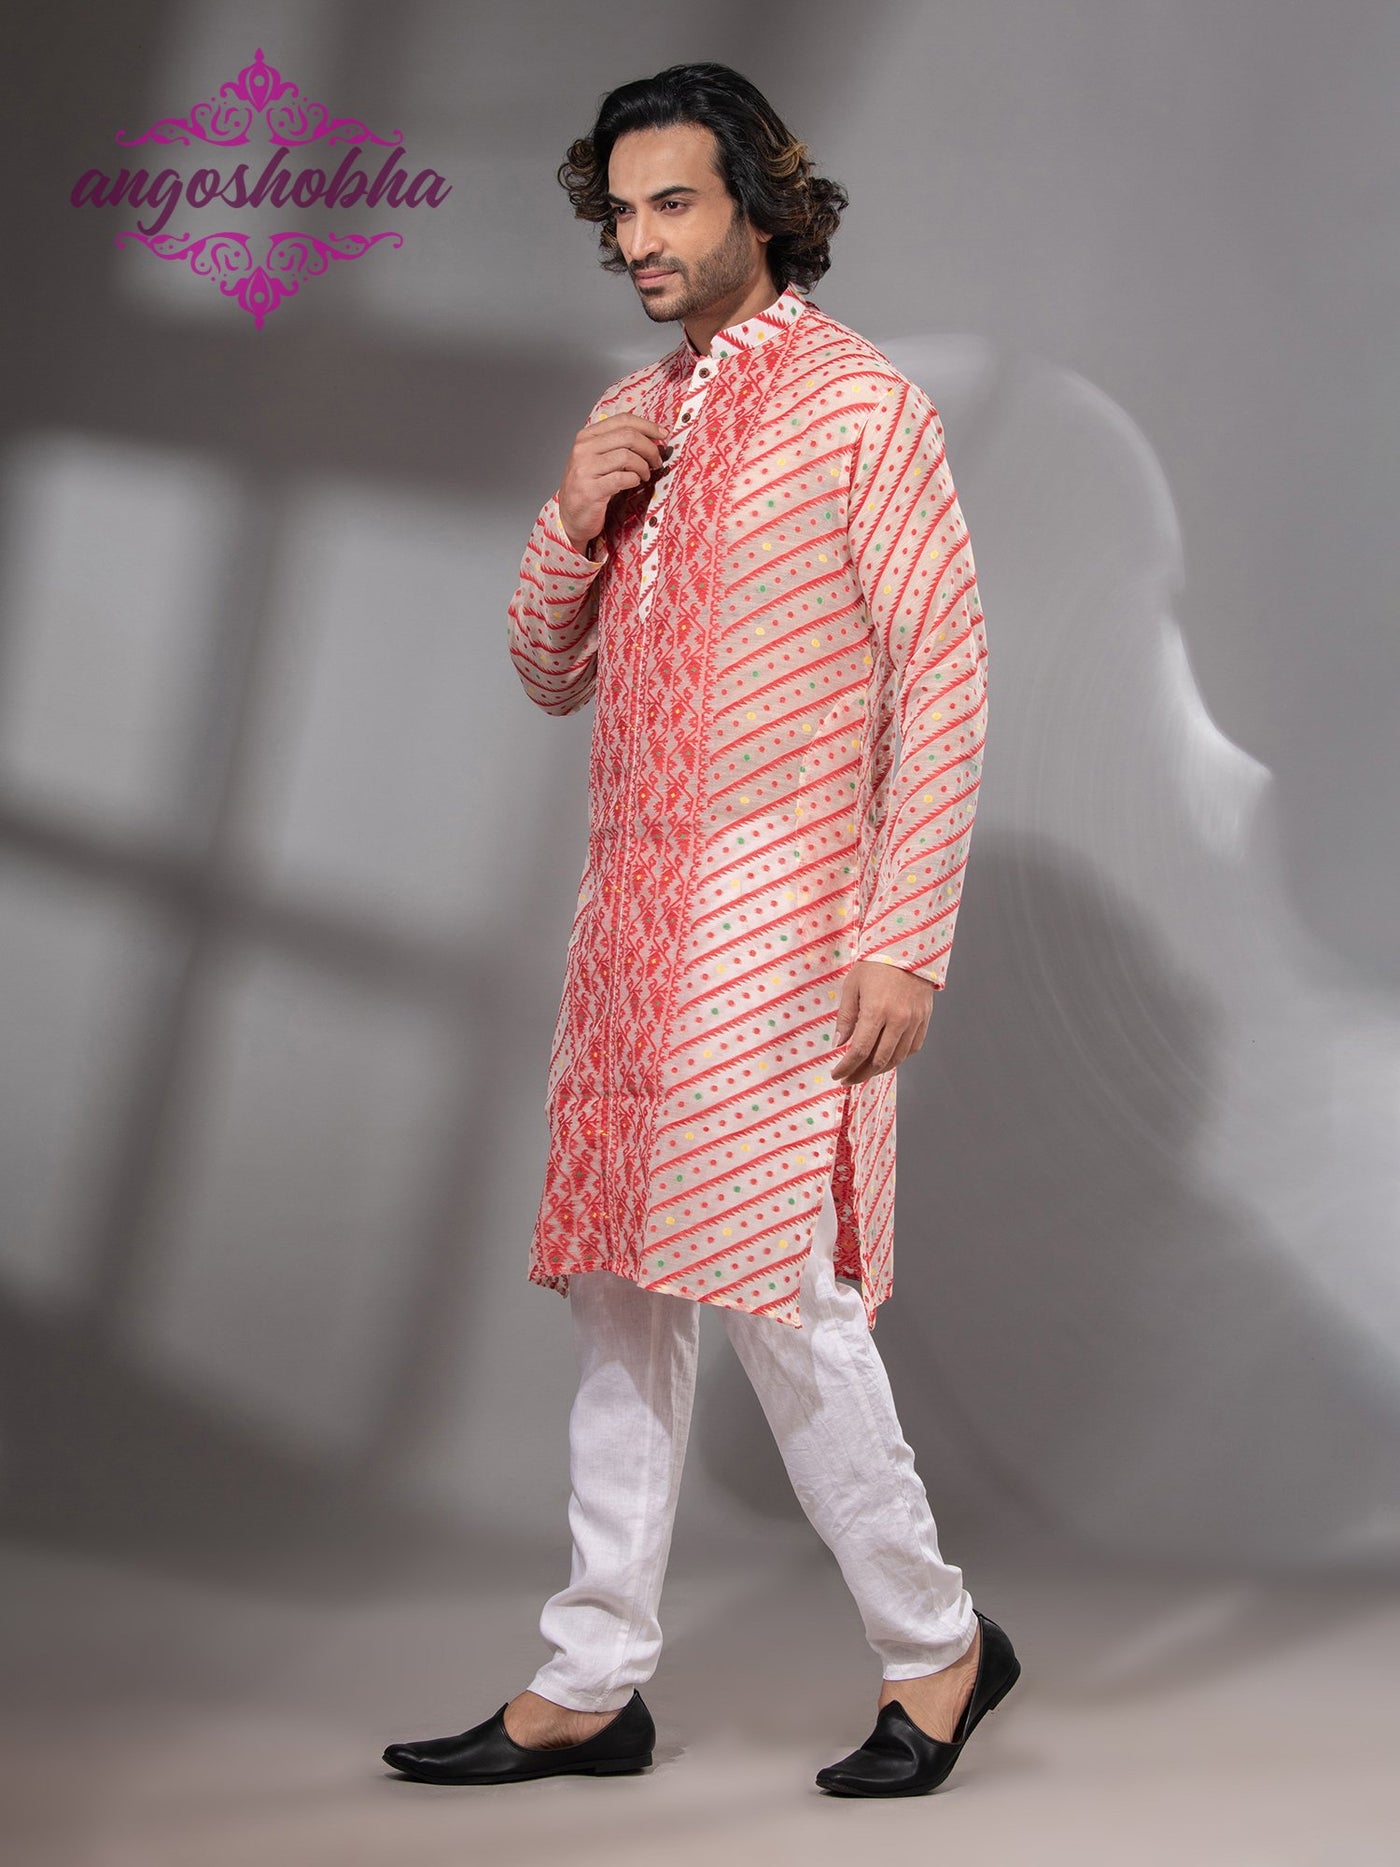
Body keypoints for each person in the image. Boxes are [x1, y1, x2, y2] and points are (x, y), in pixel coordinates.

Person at [382, 61, 1019, 1797]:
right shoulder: (632, 417)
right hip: (632, 924)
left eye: (675, 203)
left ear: (760, 205)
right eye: (623, 212)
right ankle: (592, 1678)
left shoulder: (863, 407)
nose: (643, 240)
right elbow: (549, 670)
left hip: (784, 917)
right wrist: (575, 508)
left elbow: (946, 676)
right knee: (621, 1295)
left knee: (780, 1294)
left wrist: (907, 934)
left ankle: (937, 1645)